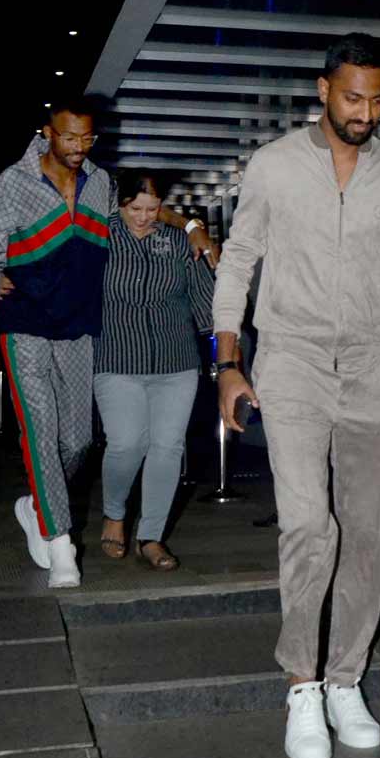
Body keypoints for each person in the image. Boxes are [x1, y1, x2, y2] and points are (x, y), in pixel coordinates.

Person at [213, 33, 380, 758]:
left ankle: (346, 677)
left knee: (363, 531)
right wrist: (228, 362)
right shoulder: (275, 166)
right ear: (322, 89)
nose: (367, 111)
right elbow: (238, 260)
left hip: (370, 368)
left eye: (379, 99)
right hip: (288, 361)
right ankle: (301, 684)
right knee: (308, 524)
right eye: (354, 96)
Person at [0, 96, 218, 588]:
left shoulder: (101, 184)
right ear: (46, 132)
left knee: (79, 442)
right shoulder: (8, 187)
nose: (78, 147)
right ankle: (61, 545)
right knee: (40, 432)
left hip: (79, 328)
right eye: (68, 137)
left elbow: (144, 211)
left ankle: (37, 504)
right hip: (24, 324)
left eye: (86, 138)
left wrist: (190, 227)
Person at [95, 171, 214, 570]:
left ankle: (152, 536)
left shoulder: (179, 241)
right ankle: (115, 514)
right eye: (135, 209)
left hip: (176, 361)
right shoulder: (100, 237)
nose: (144, 217)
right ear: (120, 204)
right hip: (116, 359)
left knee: (167, 448)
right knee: (127, 442)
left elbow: (203, 301)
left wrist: (227, 347)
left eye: (152, 208)